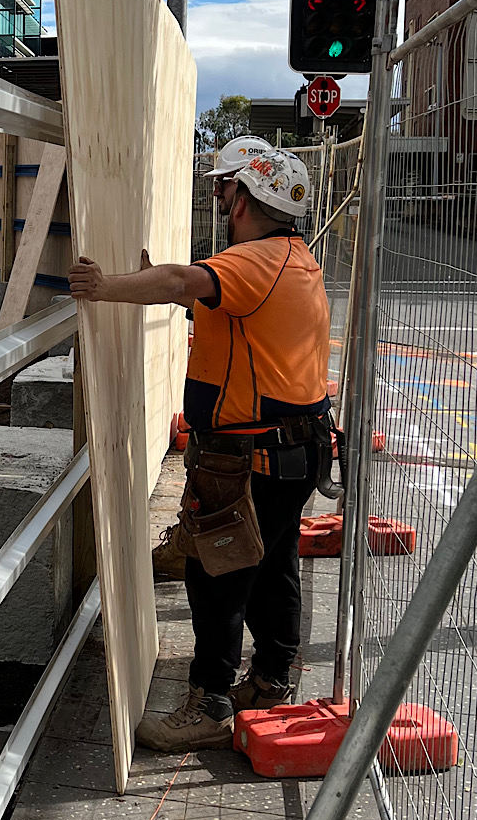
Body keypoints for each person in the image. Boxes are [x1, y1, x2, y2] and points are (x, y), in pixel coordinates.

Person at [67, 146, 336, 752]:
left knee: (216, 570)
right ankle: (269, 680)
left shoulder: (253, 260)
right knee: (272, 563)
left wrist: (107, 285)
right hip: (293, 450)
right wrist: (152, 283)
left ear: (244, 198)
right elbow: (210, 305)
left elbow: (188, 280)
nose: (220, 201)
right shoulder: (293, 260)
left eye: (224, 190)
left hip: (253, 456)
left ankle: (210, 701)